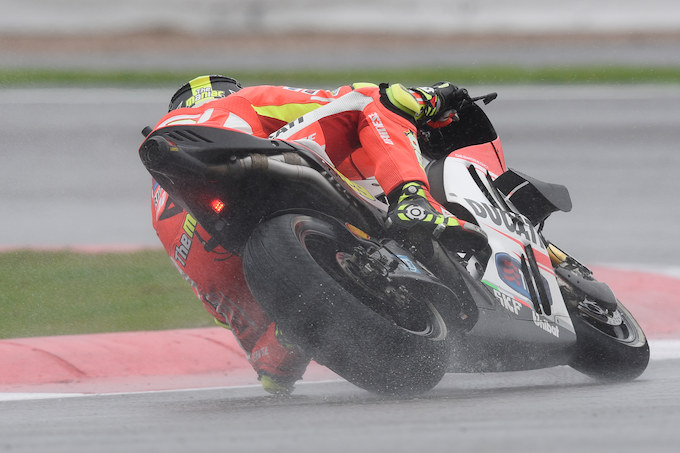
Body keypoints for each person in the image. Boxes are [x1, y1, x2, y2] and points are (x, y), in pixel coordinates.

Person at [147, 75, 476, 395]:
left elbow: (216, 301)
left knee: (267, 356)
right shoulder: (237, 102)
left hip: (229, 274)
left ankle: (282, 343)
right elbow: (342, 98)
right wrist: (433, 97)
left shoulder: (158, 202)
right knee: (373, 99)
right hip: (264, 207)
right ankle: (413, 200)